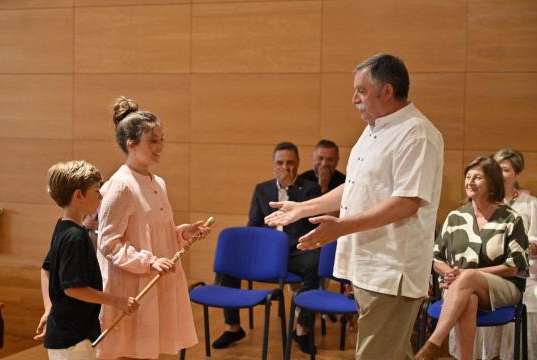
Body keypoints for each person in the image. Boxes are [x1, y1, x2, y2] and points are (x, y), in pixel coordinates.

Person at [265, 53, 444, 359]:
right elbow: (355, 188)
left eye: (361, 91)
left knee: (375, 354)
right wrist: (304, 207)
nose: (354, 99)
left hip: (390, 270)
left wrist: (341, 228)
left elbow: (406, 203)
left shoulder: (417, 134)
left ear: (386, 91)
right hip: (368, 266)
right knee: (390, 352)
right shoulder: (375, 128)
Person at [96, 96, 210, 359]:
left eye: (161, 139)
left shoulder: (158, 181)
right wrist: (148, 262)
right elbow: (109, 243)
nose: (160, 146)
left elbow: (156, 234)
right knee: (128, 351)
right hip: (131, 284)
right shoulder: (120, 185)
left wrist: (183, 233)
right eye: (153, 141)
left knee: (150, 350)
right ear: (131, 144)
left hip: (154, 280)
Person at [211, 142, 321, 354]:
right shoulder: (262, 189)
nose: (285, 167)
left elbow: (310, 221)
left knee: (314, 264)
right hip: (267, 252)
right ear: (273, 164)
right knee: (230, 261)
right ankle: (233, 327)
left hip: (294, 251)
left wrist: (291, 189)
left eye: (290, 162)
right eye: (280, 162)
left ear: (297, 163)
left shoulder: (310, 189)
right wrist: (270, 236)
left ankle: (302, 329)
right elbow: (253, 224)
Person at [416, 156, 529, 360]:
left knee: (467, 279)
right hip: (458, 288)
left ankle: (433, 344)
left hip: (504, 287)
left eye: (477, 177)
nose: (470, 182)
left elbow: (514, 267)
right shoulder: (455, 217)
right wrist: (450, 272)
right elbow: (436, 258)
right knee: (469, 297)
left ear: (492, 182)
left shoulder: (511, 218)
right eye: (468, 177)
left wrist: (468, 274)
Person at [35, 160, 138, 360]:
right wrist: (117, 301)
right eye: (96, 191)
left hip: (66, 334)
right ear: (78, 195)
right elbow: (73, 288)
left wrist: (50, 309)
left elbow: (45, 269)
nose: (101, 196)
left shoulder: (63, 227)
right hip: (73, 339)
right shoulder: (75, 237)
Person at [472, 149, 537, 360]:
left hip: (520, 274)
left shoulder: (530, 204)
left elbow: (534, 244)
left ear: (517, 174)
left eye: (505, 169)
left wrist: (508, 252)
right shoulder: (478, 203)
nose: (499, 173)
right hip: (483, 274)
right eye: (496, 168)